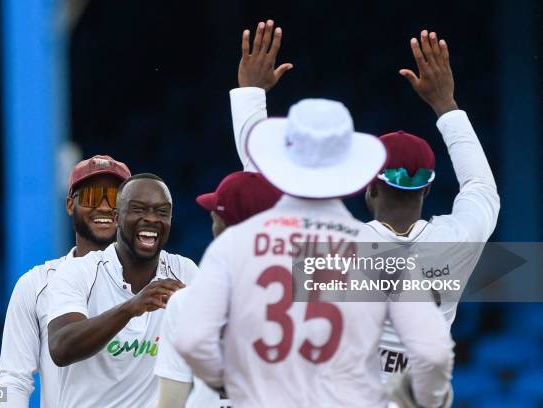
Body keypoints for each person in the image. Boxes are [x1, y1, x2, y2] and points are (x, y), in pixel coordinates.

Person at [228, 24, 499, 380]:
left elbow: (258, 177)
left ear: (369, 185)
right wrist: (445, 104)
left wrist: (250, 91)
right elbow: (481, 187)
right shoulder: (458, 240)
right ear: (427, 189)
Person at [174, 84, 454, 407]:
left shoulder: (236, 243)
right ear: (350, 166)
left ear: (284, 158)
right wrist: (428, 399)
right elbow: (433, 354)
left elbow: (191, 338)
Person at [46, 173, 198, 408]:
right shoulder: (79, 272)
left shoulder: (185, 271)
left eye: (162, 212)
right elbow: (60, 348)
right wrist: (130, 308)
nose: (151, 219)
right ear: (117, 217)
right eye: (138, 210)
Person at [0, 155, 131, 407]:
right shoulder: (35, 285)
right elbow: (14, 379)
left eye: (115, 199)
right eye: (91, 197)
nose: (104, 207)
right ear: (70, 204)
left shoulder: (152, 281)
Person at [154, 170, 281, 408]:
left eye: (215, 218)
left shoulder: (186, 301)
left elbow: (170, 403)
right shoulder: (310, 294)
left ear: (223, 227)